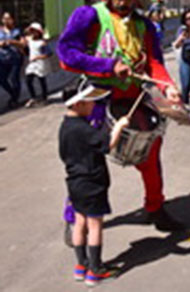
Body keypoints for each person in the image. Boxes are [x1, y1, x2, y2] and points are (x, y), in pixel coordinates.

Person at [58, 0, 183, 231]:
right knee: (86, 165)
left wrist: (167, 86)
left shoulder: (145, 25)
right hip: (96, 98)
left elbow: (154, 63)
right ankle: (75, 219)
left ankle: (155, 207)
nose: (125, 3)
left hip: (133, 98)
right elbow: (66, 54)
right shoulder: (89, 16)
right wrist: (108, 65)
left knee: (151, 152)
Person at [58, 82, 128, 286]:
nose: (93, 106)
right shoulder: (83, 128)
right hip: (92, 182)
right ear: (78, 104)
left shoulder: (65, 126)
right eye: (90, 102)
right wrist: (120, 126)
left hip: (74, 181)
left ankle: (81, 266)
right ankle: (95, 270)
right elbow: (107, 145)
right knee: (95, 225)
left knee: (79, 222)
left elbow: (63, 154)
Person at [0, 11, 25, 107]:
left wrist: (11, 42)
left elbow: (23, 44)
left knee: (14, 78)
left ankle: (15, 99)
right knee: (2, 79)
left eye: (9, 18)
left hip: (16, 58)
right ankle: (13, 95)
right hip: (2, 58)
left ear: (13, 20)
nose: (6, 20)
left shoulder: (17, 31)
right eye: (4, 18)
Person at [24, 22, 52, 107]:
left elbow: (49, 53)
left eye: (34, 31)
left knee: (41, 80)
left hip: (40, 64)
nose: (33, 33)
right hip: (32, 64)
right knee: (28, 80)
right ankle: (33, 97)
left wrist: (38, 57)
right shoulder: (29, 40)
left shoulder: (42, 43)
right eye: (32, 31)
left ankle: (45, 97)